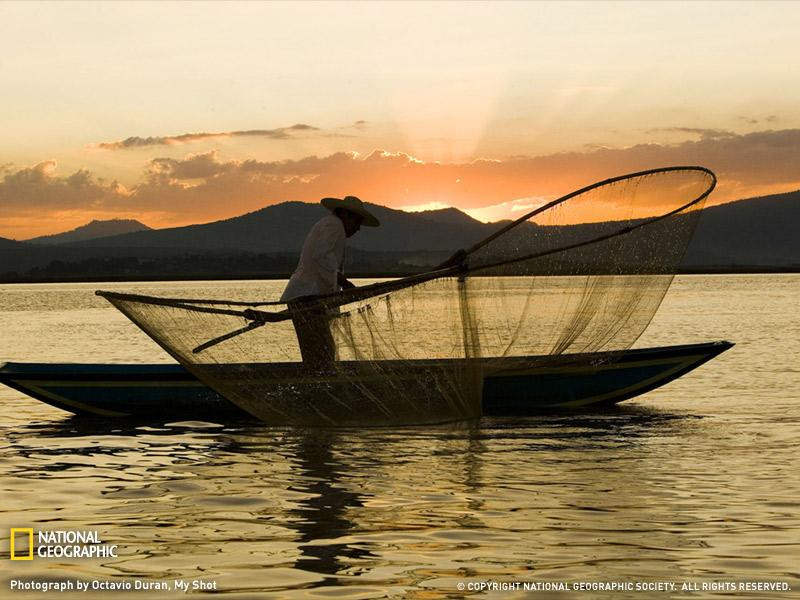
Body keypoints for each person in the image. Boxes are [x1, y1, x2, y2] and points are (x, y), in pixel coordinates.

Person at [280, 196, 380, 366]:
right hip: (307, 298)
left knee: (320, 352)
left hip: (307, 298)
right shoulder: (334, 225)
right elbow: (321, 255)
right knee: (321, 354)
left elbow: (325, 262)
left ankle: (316, 381)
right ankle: (317, 384)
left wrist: (340, 285)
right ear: (347, 215)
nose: (358, 229)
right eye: (357, 222)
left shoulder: (331, 225)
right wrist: (345, 283)